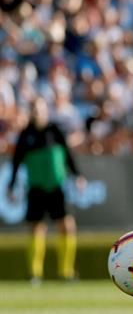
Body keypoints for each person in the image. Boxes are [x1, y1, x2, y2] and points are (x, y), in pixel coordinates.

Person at [6, 98, 85, 284]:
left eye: (39, 109)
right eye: (33, 109)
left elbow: (68, 154)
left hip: (56, 186)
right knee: (36, 227)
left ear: (45, 111)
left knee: (66, 226)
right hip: (36, 187)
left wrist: (77, 175)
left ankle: (66, 271)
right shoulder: (26, 135)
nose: (37, 112)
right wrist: (11, 186)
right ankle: (35, 273)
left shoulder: (55, 130)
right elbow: (16, 162)